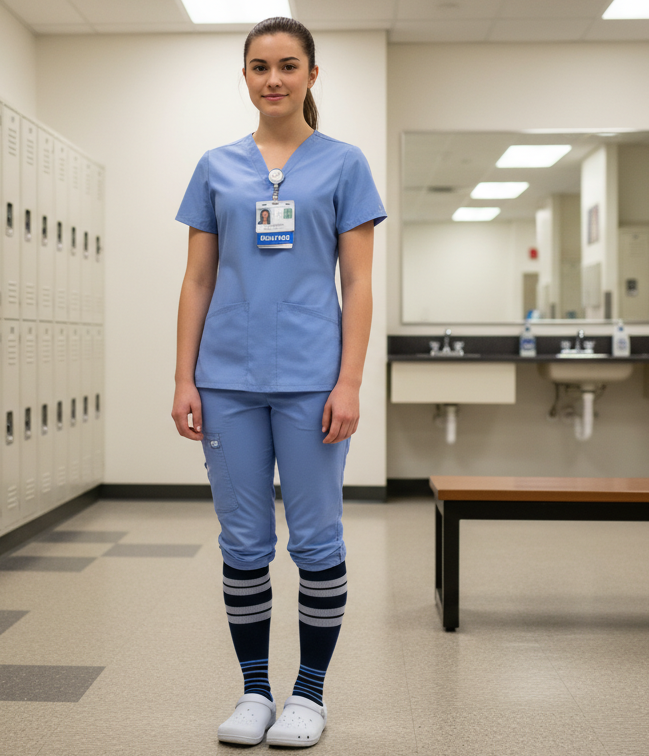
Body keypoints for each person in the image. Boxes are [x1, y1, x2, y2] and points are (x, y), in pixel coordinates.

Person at [172, 16, 385, 749]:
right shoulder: (216, 167)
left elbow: (356, 282)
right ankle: (256, 691)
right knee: (244, 542)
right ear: (245, 76)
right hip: (226, 379)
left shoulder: (344, 164)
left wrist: (350, 380)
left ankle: (310, 696)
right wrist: (184, 378)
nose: (274, 79)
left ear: (312, 76)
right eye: (260, 67)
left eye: (288, 66)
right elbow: (197, 279)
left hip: (311, 380)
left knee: (318, 541)